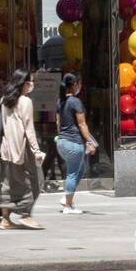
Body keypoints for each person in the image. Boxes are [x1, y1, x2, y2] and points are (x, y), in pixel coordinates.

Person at [0, 69, 46, 230]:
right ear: (23, 83)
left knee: (7, 182)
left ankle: (5, 219)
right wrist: (37, 150)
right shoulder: (25, 101)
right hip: (21, 148)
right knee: (35, 180)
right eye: (29, 82)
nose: (31, 85)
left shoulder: (5, 99)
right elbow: (29, 128)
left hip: (6, 147)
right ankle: (25, 214)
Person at [56, 72, 97, 214]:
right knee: (73, 173)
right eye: (79, 83)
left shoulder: (60, 101)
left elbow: (58, 122)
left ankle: (67, 197)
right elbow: (82, 124)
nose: (80, 86)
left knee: (79, 171)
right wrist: (90, 141)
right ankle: (67, 205)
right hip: (74, 143)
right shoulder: (76, 102)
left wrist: (61, 136)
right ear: (74, 85)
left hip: (62, 142)